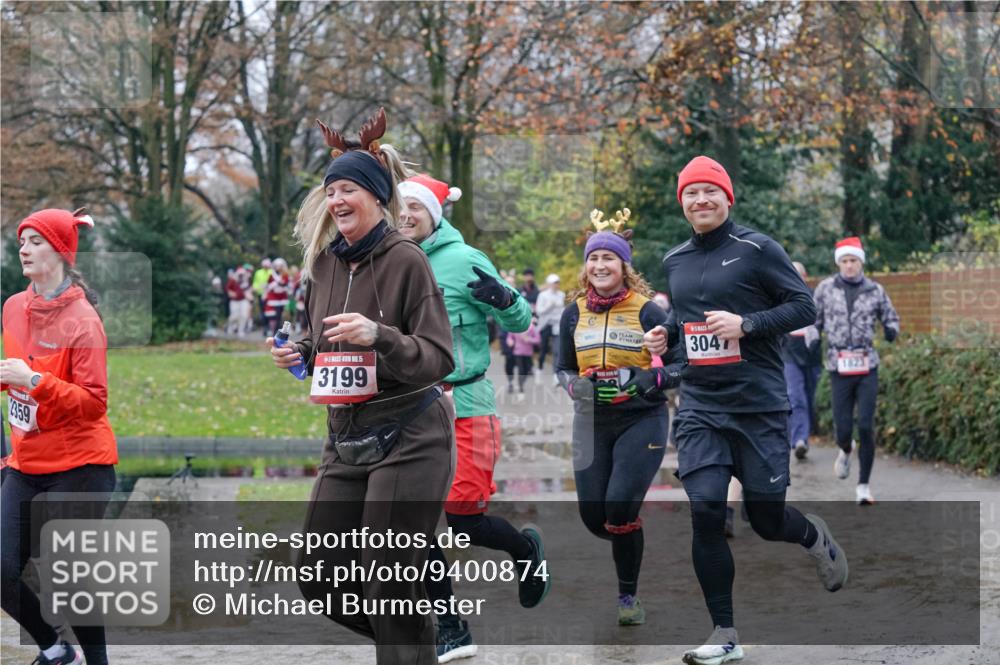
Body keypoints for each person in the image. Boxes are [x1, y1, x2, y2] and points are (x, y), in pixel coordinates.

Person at [268, 109, 455, 665]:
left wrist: (382, 337)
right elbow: (318, 338)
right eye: (331, 191)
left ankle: (411, 643)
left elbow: (438, 356)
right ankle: (422, 642)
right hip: (345, 435)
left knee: (387, 577)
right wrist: (300, 353)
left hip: (411, 435)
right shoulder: (324, 265)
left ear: (376, 196)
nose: (336, 201)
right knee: (318, 577)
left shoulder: (408, 261)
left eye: (348, 188)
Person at [646, 156, 848, 665]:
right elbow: (688, 328)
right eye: (691, 194)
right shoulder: (675, 259)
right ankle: (724, 632)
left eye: (710, 192)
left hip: (758, 406)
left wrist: (748, 324)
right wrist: (664, 336)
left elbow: (804, 307)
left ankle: (813, 535)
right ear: (683, 204)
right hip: (701, 406)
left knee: (766, 519)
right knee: (707, 511)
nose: (701, 201)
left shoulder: (758, 249)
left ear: (727, 197)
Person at [396, 173, 549, 663]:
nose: (405, 217)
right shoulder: (391, 262)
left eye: (414, 208)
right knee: (411, 526)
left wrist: (505, 301)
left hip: (465, 407)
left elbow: (522, 321)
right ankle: (451, 626)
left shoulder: (463, 261)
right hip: (410, 412)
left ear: (433, 214)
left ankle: (525, 551)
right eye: (397, 209)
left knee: (464, 522)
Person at [1, 208, 118, 665]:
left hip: (81, 467)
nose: (23, 249)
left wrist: (33, 382)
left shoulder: (83, 319)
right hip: (26, 465)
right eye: (21, 241)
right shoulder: (12, 306)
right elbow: (17, 375)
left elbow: (93, 402)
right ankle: (54, 649)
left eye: (34, 241)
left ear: (60, 253)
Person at [555, 207, 678, 626]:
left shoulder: (648, 311)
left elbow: (682, 365)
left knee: (620, 506)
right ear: (585, 267)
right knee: (596, 517)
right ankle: (631, 539)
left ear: (624, 266)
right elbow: (562, 368)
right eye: (593, 258)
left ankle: (628, 597)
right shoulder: (573, 313)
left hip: (640, 419)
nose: (600, 265)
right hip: (591, 420)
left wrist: (650, 380)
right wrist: (574, 386)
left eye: (609, 258)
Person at [814, 237, 899, 505]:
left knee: (865, 425)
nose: (849, 266)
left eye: (854, 261)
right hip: (838, 365)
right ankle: (845, 448)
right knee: (842, 428)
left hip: (866, 365)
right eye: (845, 261)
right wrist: (812, 336)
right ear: (839, 262)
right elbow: (812, 319)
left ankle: (863, 485)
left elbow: (890, 315)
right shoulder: (825, 289)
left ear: (861, 262)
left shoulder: (875, 290)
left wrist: (891, 329)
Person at [782, 261, 823, 460]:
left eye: (799, 273)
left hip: (812, 354)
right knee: (796, 396)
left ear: (805, 276)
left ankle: (804, 433)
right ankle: (800, 440)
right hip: (789, 354)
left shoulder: (815, 296)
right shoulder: (781, 297)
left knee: (810, 396)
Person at [535, 274, 565, 380]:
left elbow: (562, 310)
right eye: (554, 283)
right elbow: (539, 311)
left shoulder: (561, 294)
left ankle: (556, 375)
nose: (556, 285)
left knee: (557, 350)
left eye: (557, 283)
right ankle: (539, 369)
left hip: (557, 325)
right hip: (545, 325)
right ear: (549, 284)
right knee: (543, 350)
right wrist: (550, 306)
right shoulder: (543, 295)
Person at [506, 316, 540, 401]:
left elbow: (538, 340)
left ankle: (521, 383)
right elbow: (509, 337)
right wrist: (510, 341)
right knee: (521, 370)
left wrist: (529, 339)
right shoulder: (515, 327)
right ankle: (521, 389)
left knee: (526, 371)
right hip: (517, 352)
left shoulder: (531, 328)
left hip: (528, 353)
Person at [262, 257, 291, 337]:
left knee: (280, 315)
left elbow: (285, 283)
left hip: (282, 297)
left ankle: (278, 331)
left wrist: (280, 283)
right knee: (273, 315)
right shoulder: (272, 275)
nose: (278, 267)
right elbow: (268, 285)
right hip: (273, 297)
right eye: (277, 266)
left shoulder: (285, 275)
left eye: (280, 266)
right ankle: (272, 331)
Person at [225, 266, 252, 336]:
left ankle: (241, 330)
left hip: (243, 300)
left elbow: (248, 290)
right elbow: (228, 288)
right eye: (240, 274)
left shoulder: (246, 281)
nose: (241, 276)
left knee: (244, 315)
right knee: (234, 316)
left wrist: (249, 297)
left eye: (242, 274)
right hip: (234, 301)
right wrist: (231, 293)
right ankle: (230, 327)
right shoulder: (233, 280)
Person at [252, 257, 272, 334]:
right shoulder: (258, 272)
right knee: (263, 311)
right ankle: (265, 328)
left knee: (269, 311)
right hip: (260, 294)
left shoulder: (271, 272)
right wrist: (255, 288)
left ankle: (270, 327)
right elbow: (255, 282)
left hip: (270, 295)